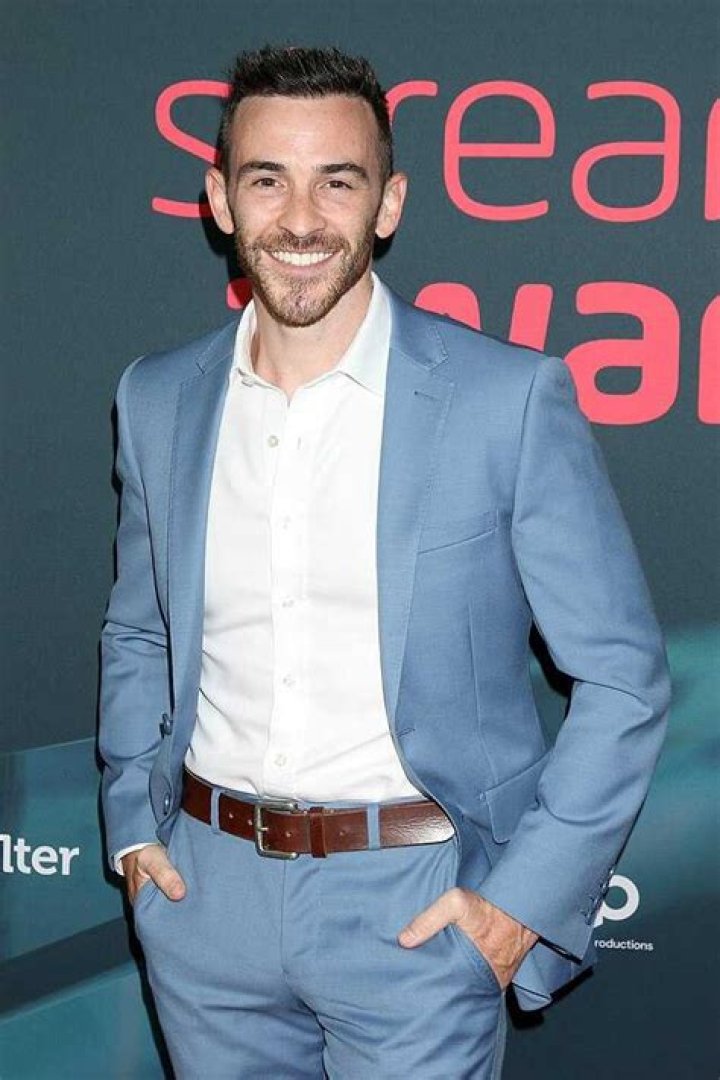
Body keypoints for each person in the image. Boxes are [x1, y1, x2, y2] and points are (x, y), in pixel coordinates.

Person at [98, 44, 670, 1079]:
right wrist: (135, 829)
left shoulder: (505, 401)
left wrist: (517, 906)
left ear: (389, 203)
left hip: (416, 911)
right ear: (220, 200)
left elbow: (623, 678)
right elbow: (141, 628)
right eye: (267, 180)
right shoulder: (156, 398)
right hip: (203, 904)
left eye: (338, 182)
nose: (301, 220)